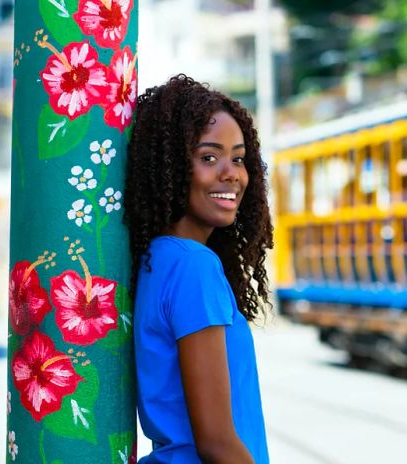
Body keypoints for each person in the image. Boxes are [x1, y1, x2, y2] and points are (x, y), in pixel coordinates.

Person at [124, 74, 273, 463]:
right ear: (172, 167)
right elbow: (216, 443)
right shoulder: (194, 267)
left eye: (238, 158)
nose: (232, 174)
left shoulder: (159, 259)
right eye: (209, 157)